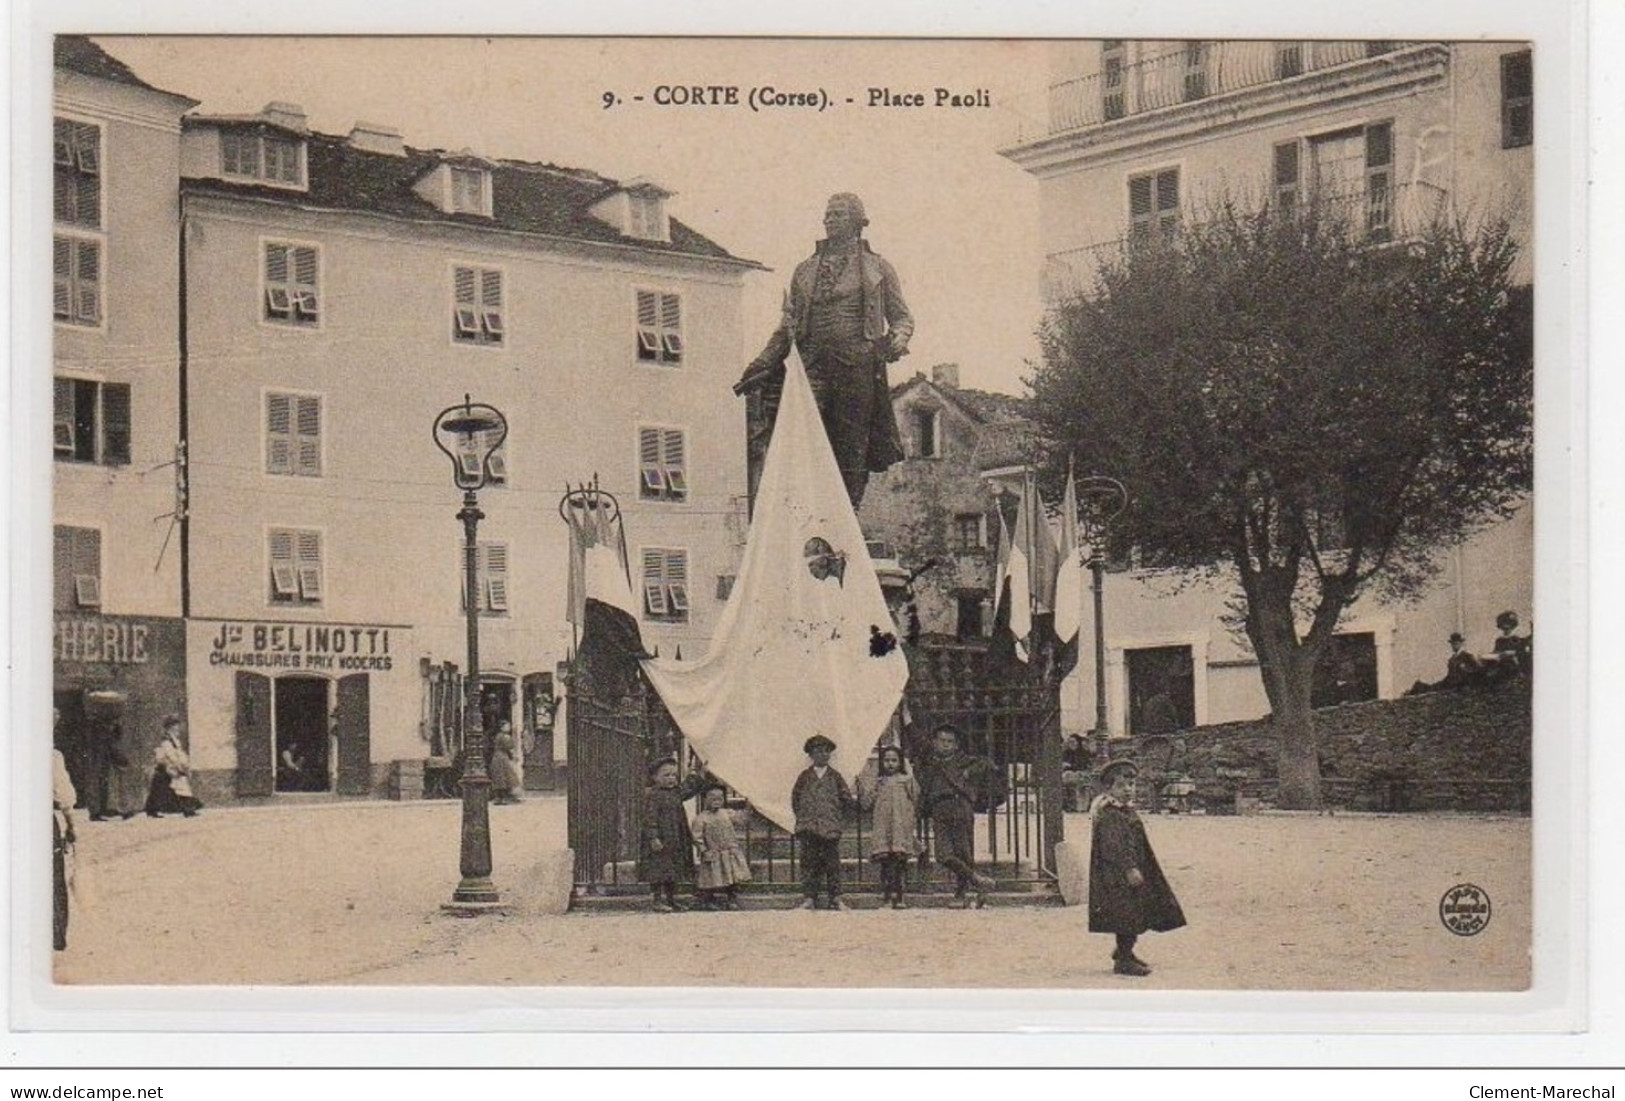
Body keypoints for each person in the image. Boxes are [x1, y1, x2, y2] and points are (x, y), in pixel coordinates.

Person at [736, 192, 914, 508]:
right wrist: (762, 361)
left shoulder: (879, 268)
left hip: (857, 365)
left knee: (851, 443)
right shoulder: (804, 270)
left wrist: (898, 339)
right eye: (828, 214)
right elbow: (787, 326)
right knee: (802, 434)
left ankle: (847, 512)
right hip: (812, 365)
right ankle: (806, 508)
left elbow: (901, 317)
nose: (830, 219)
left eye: (839, 214)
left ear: (858, 222)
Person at [1088, 759, 1186, 976]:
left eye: (1131, 785)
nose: (1128, 790)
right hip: (1119, 874)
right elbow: (1114, 847)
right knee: (1126, 914)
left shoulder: (1124, 811)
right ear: (1108, 788)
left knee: (1136, 911)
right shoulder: (1110, 814)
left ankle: (1125, 951)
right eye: (1121, 786)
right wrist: (1129, 868)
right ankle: (1123, 960)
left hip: (1132, 870)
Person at [917, 724, 997, 908]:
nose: (945, 745)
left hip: (960, 805)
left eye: (950, 742)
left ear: (956, 745)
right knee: (943, 854)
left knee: (963, 852)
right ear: (934, 742)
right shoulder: (929, 760)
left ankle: (961, 894)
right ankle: (978, 882)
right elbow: (916, 741)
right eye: (942, 741)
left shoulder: (963, 760)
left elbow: (987, 763)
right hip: (939, 807)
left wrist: (969, 771)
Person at [791, 734, 856, 911]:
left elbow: (846, 799)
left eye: (826, 751)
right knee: (809, 864)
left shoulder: (835, 777)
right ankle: (809, 898)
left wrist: (838, 820)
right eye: (817, 751)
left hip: (830, 827)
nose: (822, 755)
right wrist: (804, 817)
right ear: (811, 755)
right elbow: (795, 799)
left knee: (832, 864)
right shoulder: (804, 777)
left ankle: (835, 898)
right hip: (809, 827)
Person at [856, 744, 920, 909]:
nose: (890, 764)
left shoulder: (906, 780)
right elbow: (866, 803)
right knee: (885, 862)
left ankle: (899, 896)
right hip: (883, 827)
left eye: (894, 760)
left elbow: (916, 797)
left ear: (900, 762)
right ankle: (886, 896)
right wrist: (862, 785)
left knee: (899, 861)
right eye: (887, 760)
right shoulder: (879, 782)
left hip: (900, 826)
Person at [638, 757, 701, 913]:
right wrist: (653, 837)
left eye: (674, 775)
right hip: (661, 840)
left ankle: (672, 900)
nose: (671, 779)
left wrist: (695, 773)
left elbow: (688, 789)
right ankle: (657, 900)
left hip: (675, 838)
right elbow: (649, 819)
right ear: (654, 777)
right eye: (666, 775)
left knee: (673, 870)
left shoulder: (675, 792)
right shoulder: (653, 795)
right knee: (659, 870)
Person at [692, 782, 751, 911]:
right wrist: (703, 850)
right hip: (713, 852)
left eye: (719, 798)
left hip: (729, 851)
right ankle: (708, 900)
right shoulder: (701, 818)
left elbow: (742, 819)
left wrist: (749, 806)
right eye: (712, 798)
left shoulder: (727, 813)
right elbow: (697, 837)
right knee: (711, 878)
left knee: (732, 876)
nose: (716, 801)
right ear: (705, 799)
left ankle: (731, 899)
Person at [52, 710, 77, 952]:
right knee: (53, 879)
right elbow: (65, 797)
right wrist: (71, 825)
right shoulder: (52, 756)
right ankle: (55, 935)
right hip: (44, 823)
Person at [144, 715, 202, 818]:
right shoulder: (167, 741)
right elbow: (171, 755)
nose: (177, 729)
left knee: (173, 789)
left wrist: (183, 764)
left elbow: (178, 753)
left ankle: (187, 809)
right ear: (169, 728)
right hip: (168, 768)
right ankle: (153, 810)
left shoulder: (174, 740)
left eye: (177, 726)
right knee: (163, 789)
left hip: (171, 768)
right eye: (175, 727)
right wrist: (179, 766)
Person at [87, 719, 134, 821]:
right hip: (105, 761)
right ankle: (101, 809)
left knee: (100, 782)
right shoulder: (108, 737)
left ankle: (98, 810)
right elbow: (114, 749)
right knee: (106, 783)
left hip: (103, 761)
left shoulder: (100, 735)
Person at [489, 720, 522, 804]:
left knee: (500, 777)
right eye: (507, 726)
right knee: (508, 776)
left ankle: (499, 797)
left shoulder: (498, 736)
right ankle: (505, 797)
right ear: (502, 727)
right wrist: (515, 756)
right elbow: (509, 748)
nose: (509, 728)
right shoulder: (505, 737)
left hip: (497, 757)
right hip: (502, 758)